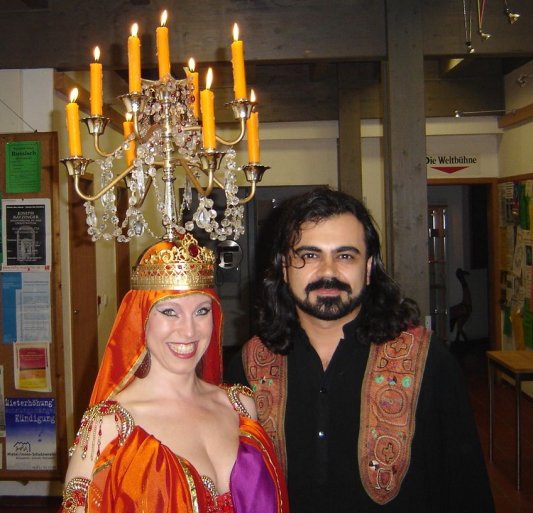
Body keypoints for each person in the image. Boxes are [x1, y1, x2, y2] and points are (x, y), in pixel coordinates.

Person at [226, 187, 494, 513]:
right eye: (309, 255)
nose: (328, 272)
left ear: (367, 268)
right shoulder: (250, 364)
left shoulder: (427, 361)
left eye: (345, 256)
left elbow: (466, 488)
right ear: (284, 267)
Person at [61, 234, 289, 513]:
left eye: (201, 311)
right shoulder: (109, 426)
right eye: (170, 311)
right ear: (140, 317)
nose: (189, 331)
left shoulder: (240, 406)